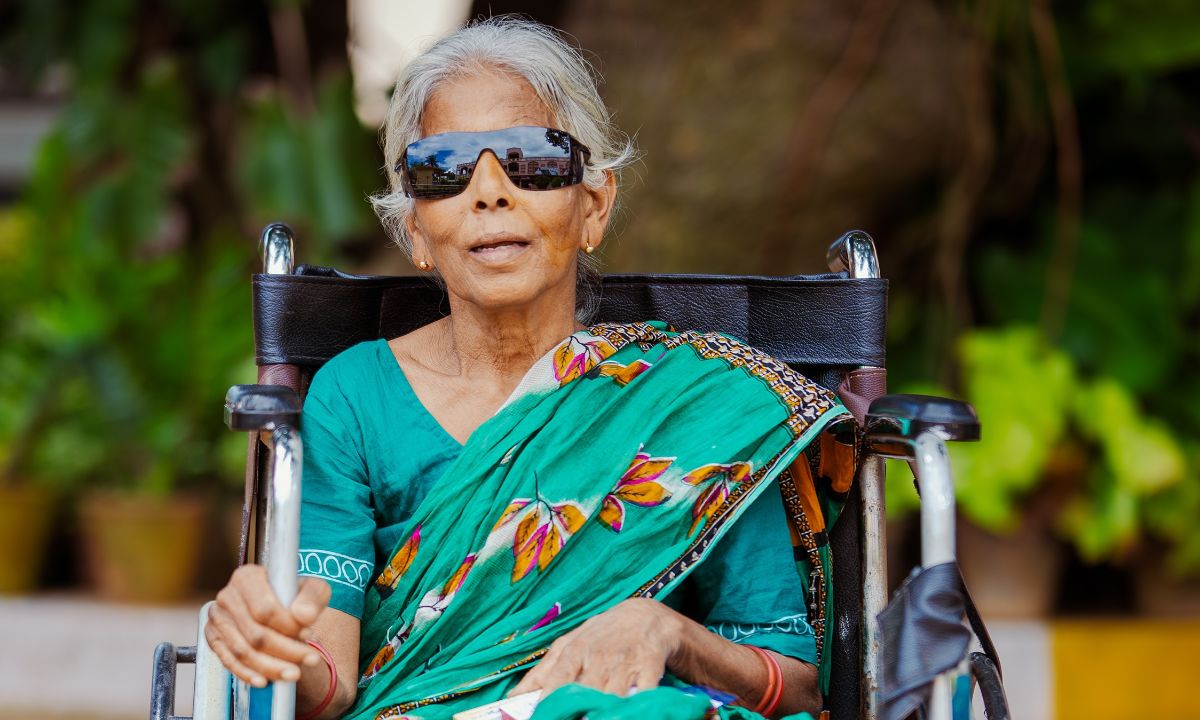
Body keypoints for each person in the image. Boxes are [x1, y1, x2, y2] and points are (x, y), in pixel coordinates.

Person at [205, 17, 852, 720]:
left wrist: (665, 632)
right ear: (416, 228)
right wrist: (276, 642)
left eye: (533, 159)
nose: (489, 192)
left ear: (593, 208)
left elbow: (794, 686)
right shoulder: (355, 398)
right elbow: (326, 686)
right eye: (444, 170)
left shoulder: (699, 412)